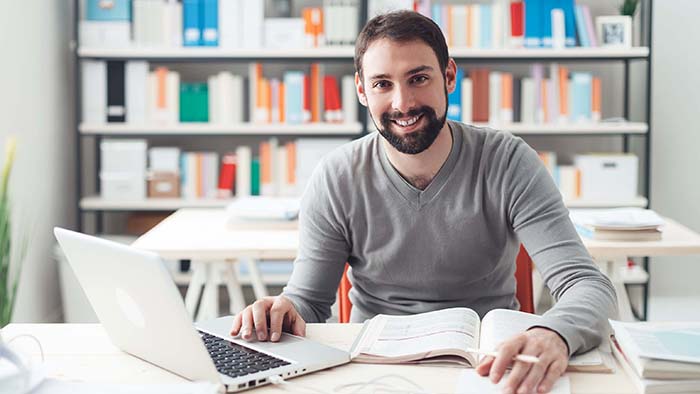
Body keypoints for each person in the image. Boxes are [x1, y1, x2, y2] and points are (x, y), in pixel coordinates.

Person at [230, 10, 617, 394]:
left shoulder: (508, 161)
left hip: (490, 369)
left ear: (449, 77)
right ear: (362, 91)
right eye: (383, 84)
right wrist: (281, 310)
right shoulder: (336, 177)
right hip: (374, 373)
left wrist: (553, 333)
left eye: (418, 78)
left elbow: (586, 284)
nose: (403, 103)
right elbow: (308, 303)